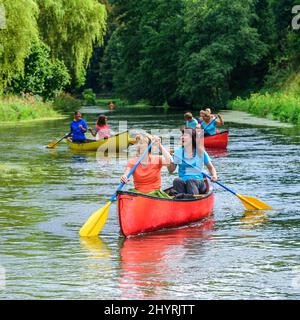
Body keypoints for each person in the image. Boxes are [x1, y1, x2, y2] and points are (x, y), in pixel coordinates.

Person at [168, 127, 218, 198]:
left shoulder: (200, 151)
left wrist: (214, 176)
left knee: (190, 181)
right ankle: (181, 199)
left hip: (198, 182)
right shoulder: (178, 152)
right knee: (177, 180)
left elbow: (211, 168)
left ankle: (193, 199)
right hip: (183, 183)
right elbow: (171, 170)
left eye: (185, 135)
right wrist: (170, 159)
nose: (182, 137)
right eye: (182, 135)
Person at [120, 133, 173, 198]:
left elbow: (170, 161)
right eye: (138, 143)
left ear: (148, 146)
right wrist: (124, 177)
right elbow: (126, 173)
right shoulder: (132, 162)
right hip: (139, 193)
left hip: (155, 194)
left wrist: (159, 146)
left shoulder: (157, 159)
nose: (139, 145)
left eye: (142, 143)